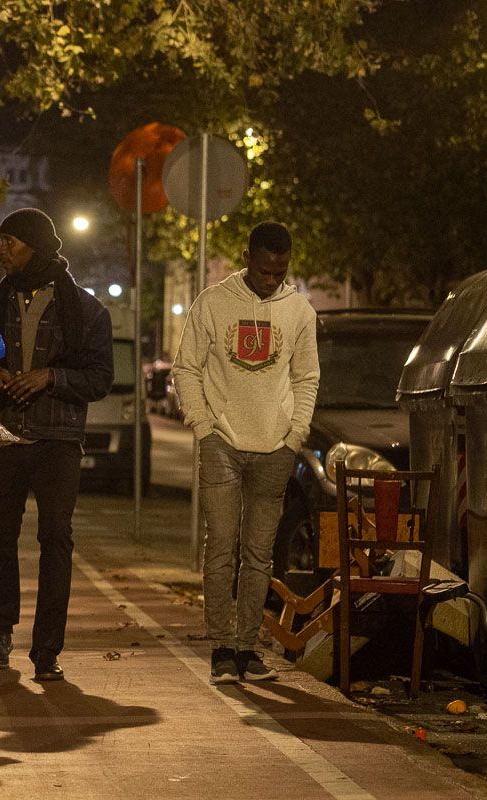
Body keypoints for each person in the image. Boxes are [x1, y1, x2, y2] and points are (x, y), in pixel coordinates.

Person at [172, 221, 319, 684]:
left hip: (276, 446)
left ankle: (247, 649)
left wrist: (295, 434)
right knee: (220, 549)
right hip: (222, 443)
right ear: (246, 256)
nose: (270, 279)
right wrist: (203, 425)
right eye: (263, 270)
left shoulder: (299, 311)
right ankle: (221, 649)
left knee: (259, 553)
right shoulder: (214, 302)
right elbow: (186, 367)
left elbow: (306, 377)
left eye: (279, 272)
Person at [0, 208, 114, 683]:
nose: (3, 250)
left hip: (57, 441)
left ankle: (48, 648)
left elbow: (100, 379)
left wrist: (50, 377)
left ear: (36, 245)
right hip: (1, 437)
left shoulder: (86, 309)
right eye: (1, 241)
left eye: (12, 242)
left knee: (56, 539)